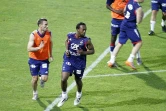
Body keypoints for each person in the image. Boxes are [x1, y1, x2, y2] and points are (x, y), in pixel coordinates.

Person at [57, 22, 95, 107]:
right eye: (83, 29)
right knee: (63, 78)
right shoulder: (70, 35)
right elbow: (66, 41)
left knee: (78, 80)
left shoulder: (86, 40)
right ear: (78, 29)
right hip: (69, 59)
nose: (84, 31)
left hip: (79, 63)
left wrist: (83, 52)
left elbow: (92, 51)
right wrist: (67, 50)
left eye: (85, 30)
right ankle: (64, 95)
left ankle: (78, 94)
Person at [107, 0, 144, 70]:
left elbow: (124, 11)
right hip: (130, 26)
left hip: (124, 23)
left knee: (119, 43)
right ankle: (130, 59)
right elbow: (139, 21)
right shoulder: (139, 8)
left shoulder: (130, 2)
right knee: (139, 42)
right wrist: (141, 15)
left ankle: (111, 61)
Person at [27, 18, 53, 100]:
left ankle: (42, 79)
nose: (47, 26)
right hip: (34, 59)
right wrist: (39, 48)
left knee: (44, 78)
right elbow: (29, 48)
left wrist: (51, 55)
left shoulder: (49, 33)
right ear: (40, 25)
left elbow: (50, 43)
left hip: (44, 59)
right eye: (45, 24)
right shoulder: (33, 35)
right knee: (35, 79)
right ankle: (35, 92)